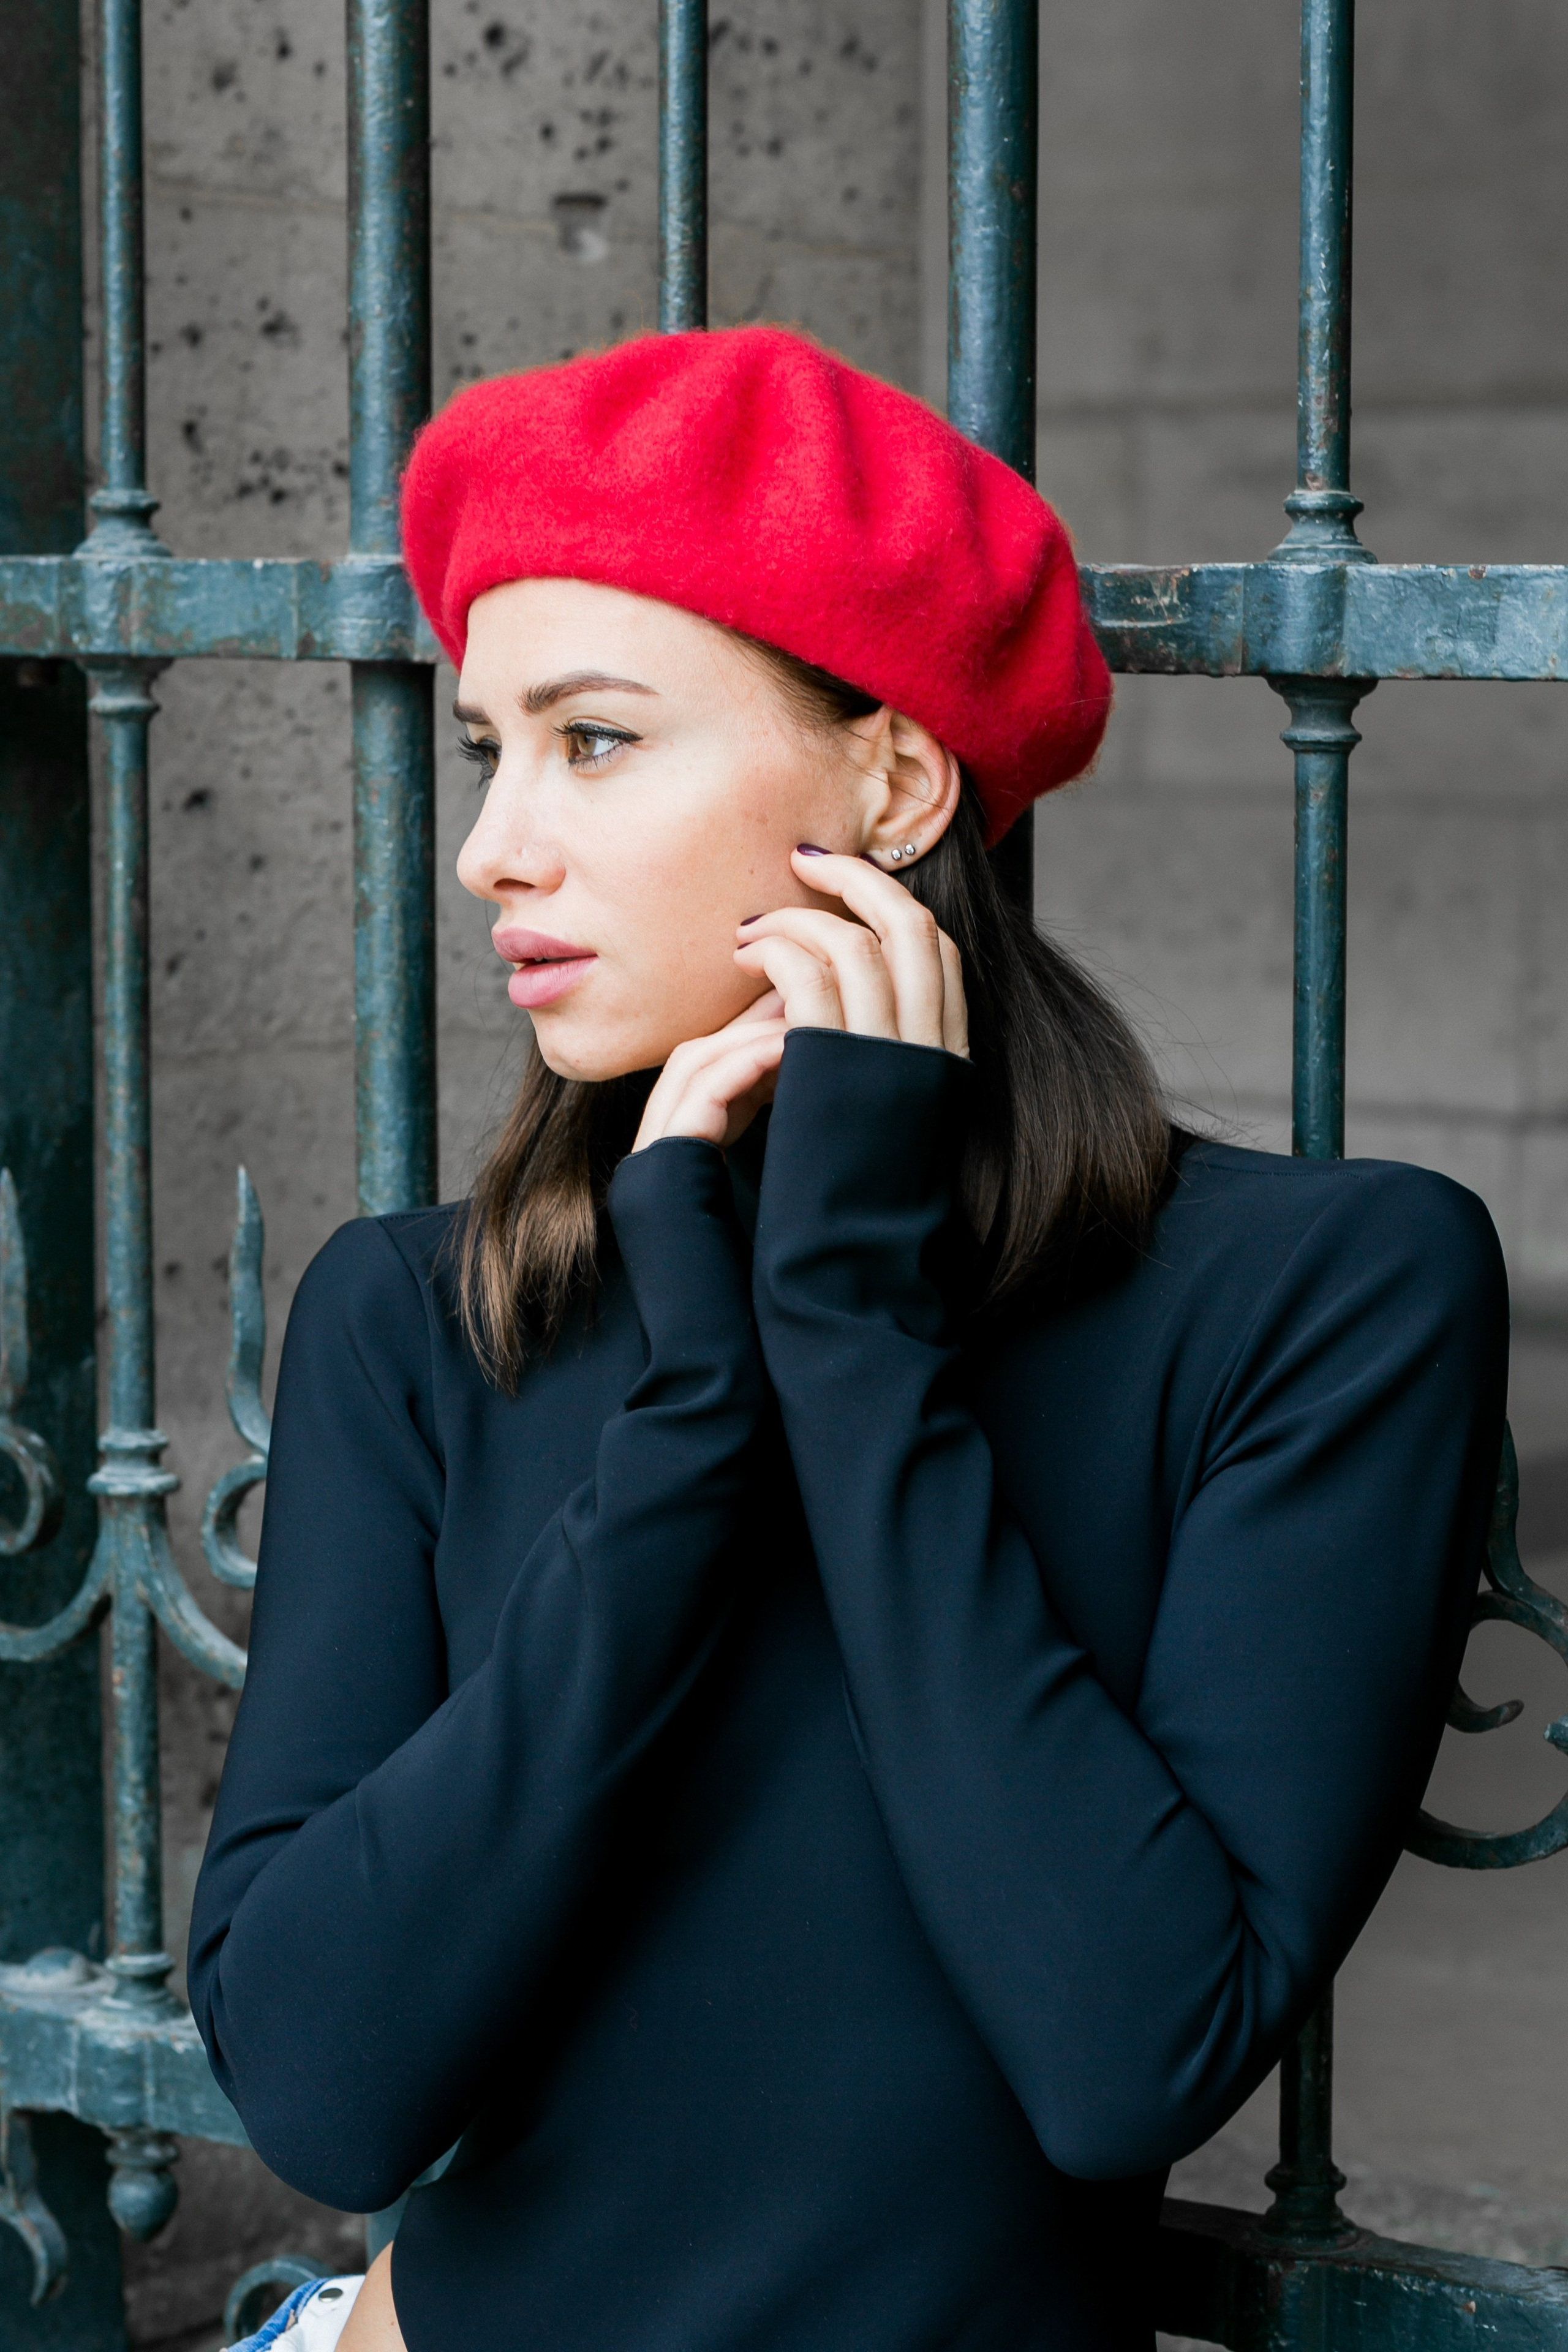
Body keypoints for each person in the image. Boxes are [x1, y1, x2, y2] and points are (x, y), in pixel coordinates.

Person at [190, 325, 1507, 2352]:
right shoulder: (418, 1313)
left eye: (596, 739)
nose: (493, 848)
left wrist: (849, 1338)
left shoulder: (1319, 1298)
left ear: (892, 780)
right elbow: (324, 2081)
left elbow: (1127, 2051)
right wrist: (696, 1423)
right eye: (489, 748)